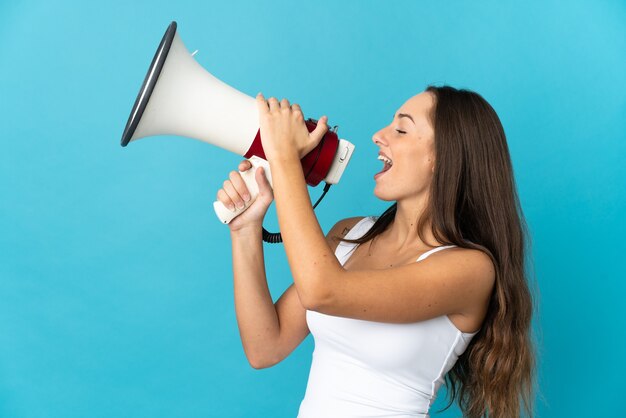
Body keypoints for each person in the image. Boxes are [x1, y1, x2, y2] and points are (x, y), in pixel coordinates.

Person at [217, 86, 536, 418]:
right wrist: (246, 230)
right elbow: (265, 347)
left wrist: (284, 159)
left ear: (444, 156)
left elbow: (323, 291)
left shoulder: (470, 270)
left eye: (401, 129)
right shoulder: (349, 235)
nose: (378, 136)